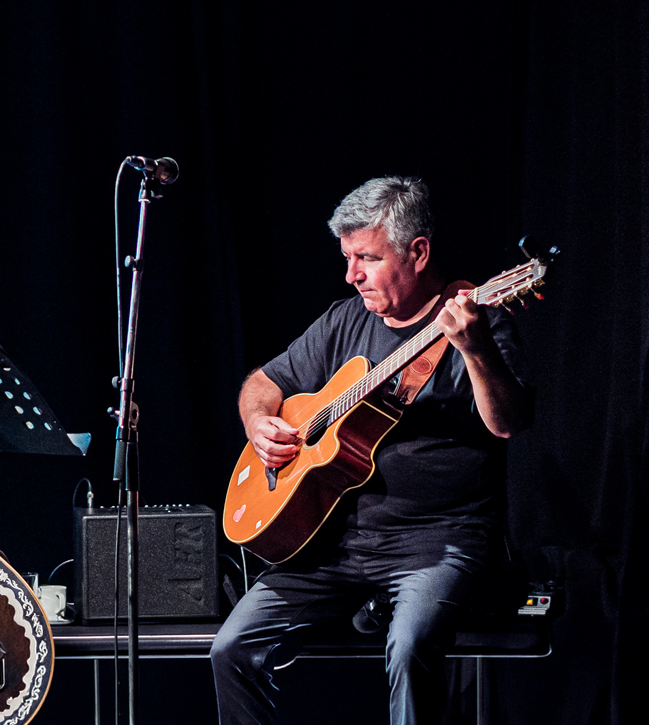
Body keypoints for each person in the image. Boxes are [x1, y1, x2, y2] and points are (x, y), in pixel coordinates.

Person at [210, 177, 533, 725]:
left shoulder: (483, 322)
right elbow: (262, 382)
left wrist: (475, 350)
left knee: (409, 649)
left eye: (366, 257)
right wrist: (259, 421)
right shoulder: (344, 320)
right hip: (333, 543)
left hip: (436, 540)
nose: (351, 274)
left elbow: (509, 424)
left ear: (418, 252)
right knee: (230, 649)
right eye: (347, 257)